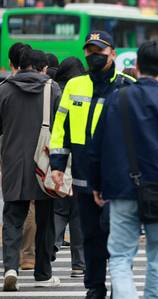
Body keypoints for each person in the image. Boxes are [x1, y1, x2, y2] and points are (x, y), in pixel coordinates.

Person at [90, 40, 158, 299]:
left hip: (121, 190)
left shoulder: (117, 99)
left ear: (136, 67)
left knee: (120, 256)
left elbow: (97, 145)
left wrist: (97, 184)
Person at [50, 31, 135, 298]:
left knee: (118, 235)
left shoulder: (129, 86)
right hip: (84, 177)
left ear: (113, 53)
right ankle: (95, 286)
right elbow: (60, 129)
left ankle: (119, 285)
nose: (94, 55)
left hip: (118, 179)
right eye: (90, 51)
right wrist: (57, 164)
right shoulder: (74, 86)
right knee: (91, 236)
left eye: (100, 50)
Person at [1, 49, 62, 291]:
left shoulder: (4, 89)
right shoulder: (53, 89)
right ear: (41, 68)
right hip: (44, 165)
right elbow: (61, 127)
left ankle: (11, 268)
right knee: (45, 221)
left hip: (13, 162)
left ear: (18, 65)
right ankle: (43, 273)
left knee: (13, 219)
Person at [52, 57, 87, 278]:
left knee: (58, 209)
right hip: (81, 156)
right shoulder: (85, 90)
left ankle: (49, 250)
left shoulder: (54, 91)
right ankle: (79, 264)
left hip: (57, 156)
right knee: (77, 213)